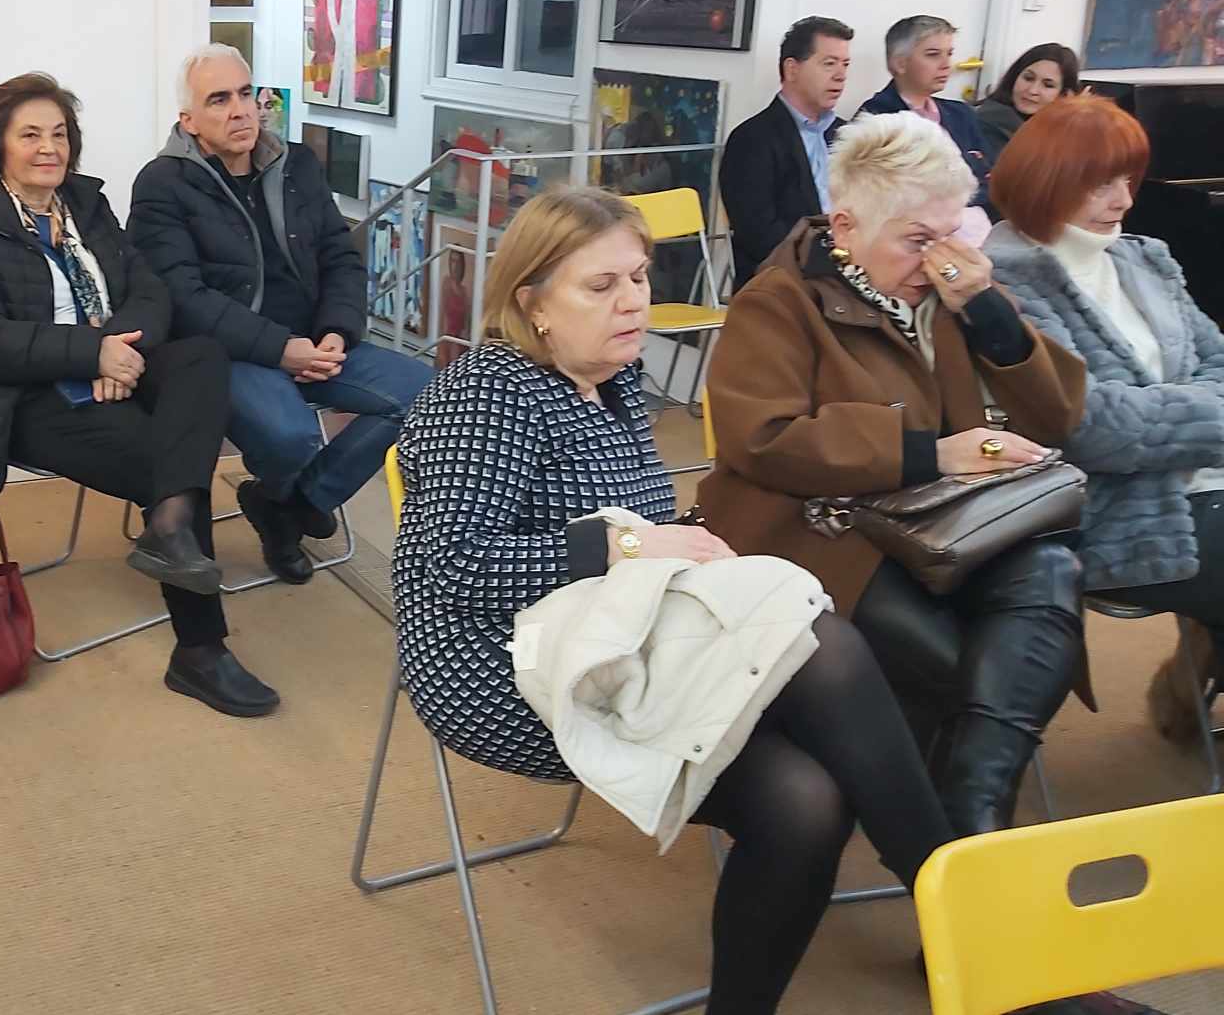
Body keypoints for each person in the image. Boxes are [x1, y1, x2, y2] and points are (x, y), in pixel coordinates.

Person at [392, 186, 953, 1015]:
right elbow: (452, 568)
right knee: (820, 684)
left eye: (639, 277)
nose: (633, 302)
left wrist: (688, 541)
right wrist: (628, 546)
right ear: (533, 303)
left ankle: (958, 913)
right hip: (497, 667)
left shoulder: (617, 382)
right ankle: (969, 919)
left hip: (620, 636)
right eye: (601, 286)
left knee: (812, 752)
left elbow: (645, 530)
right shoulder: (487, 392)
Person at [698, 112, 1090, 837]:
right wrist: (929, 453)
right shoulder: (778, 301)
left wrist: (990, 314)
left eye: (952, 234)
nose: (940, 260)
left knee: (1051, 577)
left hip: (946, 524)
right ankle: (964, 840)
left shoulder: (950, 294)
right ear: (845, 227)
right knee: (974, 668)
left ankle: (967, 820)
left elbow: (1061, 414)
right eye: (917, 240)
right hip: (825, 534)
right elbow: (762, 439)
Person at [0, 72, 279, 718]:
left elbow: (149, 289)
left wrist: (118, 349)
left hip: (115, 360)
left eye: (60, 134)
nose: (49, 148)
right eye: (30, 135)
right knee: (166, 457)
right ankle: (200, 651)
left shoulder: (84, 204)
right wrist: (92, 353)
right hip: (27, 397)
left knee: (202, 355)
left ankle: (168, 528)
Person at [130, 44, 433, 584]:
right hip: (230, 354)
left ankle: (288, 505)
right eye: (219, 100)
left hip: (314, 339)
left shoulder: (297, 164)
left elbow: (341, 257)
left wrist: (337, 330)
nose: (240, 110)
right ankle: (294, 497)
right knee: (292, 437)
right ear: (188, 120)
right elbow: (183, 297)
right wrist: (279, 349)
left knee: (431, 396)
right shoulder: (162, 185)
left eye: (246, 94)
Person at [986, 95, 1224, 744]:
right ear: (1047, 181)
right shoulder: (1008, 282)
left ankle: (1191, 680)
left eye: (1129, 180)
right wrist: (1208, 415)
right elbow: (1091, 424)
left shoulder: (1143, 258)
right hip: (1117, 508)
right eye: (1101, 184)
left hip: (1201, 484)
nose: (1123, 199)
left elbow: (1216, 359)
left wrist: (1179, 414)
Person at [718, 15, 852, 291]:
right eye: (829, 63)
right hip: (785, 283)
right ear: (792, 69)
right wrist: (834, 262)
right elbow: (759, 235)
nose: (841, 75)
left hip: (849, 277)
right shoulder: (752, 139)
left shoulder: (849, 135)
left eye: (845, 64)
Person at [858, 15, 995, 219]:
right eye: (933, 55)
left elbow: (992, 181)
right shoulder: (877, 118)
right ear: (900, 63)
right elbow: (900, 197)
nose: (946, 64)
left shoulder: (961, 114)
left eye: (949, 54)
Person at [975, 42, 1083, 161]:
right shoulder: (992, 122)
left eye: (1048, 85)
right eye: (1028, 78)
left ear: (1064, 94)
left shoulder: (1059, 130)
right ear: (1015, 76)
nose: (1032, 90)